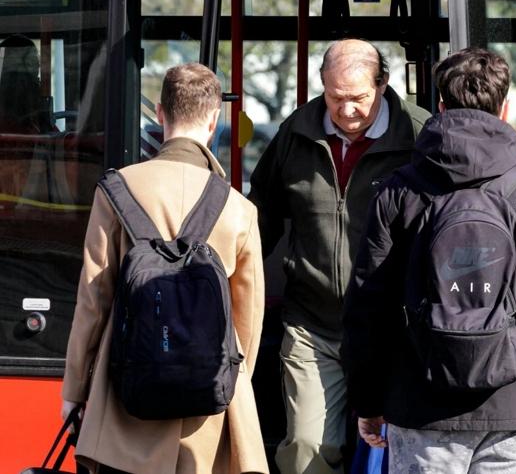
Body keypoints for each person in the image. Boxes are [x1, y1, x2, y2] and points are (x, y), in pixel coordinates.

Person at [342, 48, 516, 473]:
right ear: (506, 108)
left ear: (440, 106)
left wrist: (367, 400)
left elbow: (367, 310)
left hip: (421, 405)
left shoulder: (397, 193)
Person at [60, 63, 268, 474]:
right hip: (207, 410)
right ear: (214, 119)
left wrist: (76, 389)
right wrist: (227, 382)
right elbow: (248, 319)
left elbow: (94, 298)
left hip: (126, 399)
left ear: (159, 113)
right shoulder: (239, 208)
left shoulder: (118, 189)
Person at [247, 39, 429, 474]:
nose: (346, 110)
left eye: (358, 98)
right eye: (334, 97)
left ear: (383, 85)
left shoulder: (419, 134)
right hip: (314, 324)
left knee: (398, 451)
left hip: (396, 331)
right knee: (307, 449)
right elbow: (261, 219)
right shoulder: (296, 132)